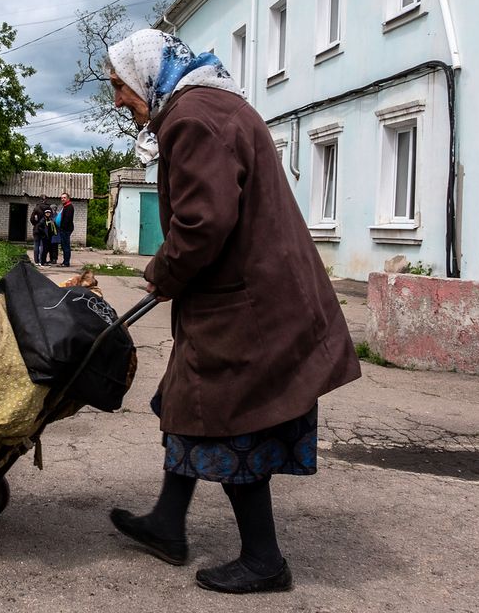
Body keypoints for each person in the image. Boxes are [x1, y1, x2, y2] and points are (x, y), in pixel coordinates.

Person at [104, 29, 361, 595]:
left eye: (121, 85)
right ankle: (168, 524)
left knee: (225, 417)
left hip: (250, 307)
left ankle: (265, 561)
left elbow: (202, 224)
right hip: (251, 295)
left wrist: (163, 273)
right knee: (185, 400)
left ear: (149, 76)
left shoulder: (193, 119)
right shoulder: (214, 106)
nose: (118, 99)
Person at [57, 192, 75, 267]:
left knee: (66, 246)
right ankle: (65, 261)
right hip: (64, 229)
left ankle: (66, 262)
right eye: (61, 198)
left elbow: (67, 220)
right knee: (64, 246)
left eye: (64, 198)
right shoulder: (65, 206)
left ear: (68, 198)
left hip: (66, 229)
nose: (62, 199)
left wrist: (62, 227)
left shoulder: (69, 207)